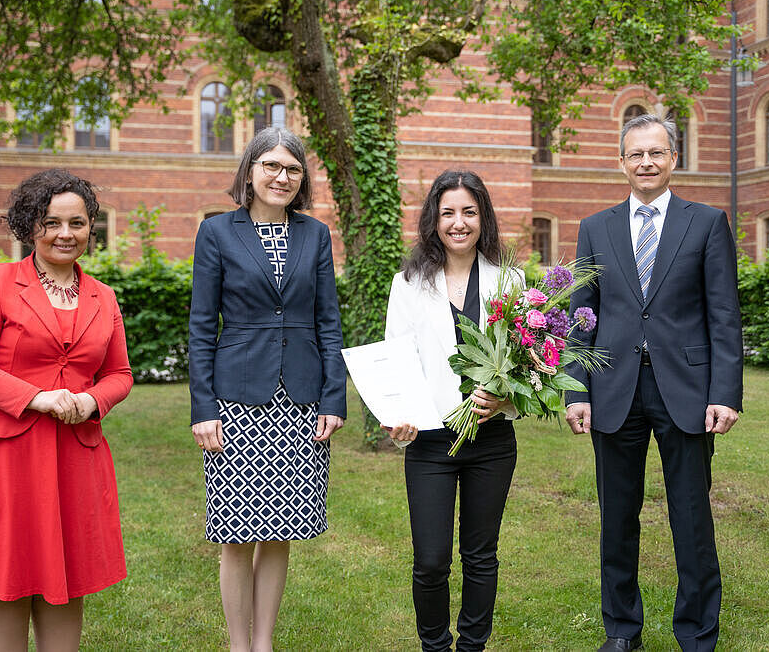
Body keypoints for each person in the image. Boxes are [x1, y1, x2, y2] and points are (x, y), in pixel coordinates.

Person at [0, 169, 134, 651]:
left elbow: (120, 375)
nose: (66, 234)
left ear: (90, 227)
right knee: (3, 573)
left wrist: (91, 401)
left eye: (77, 223)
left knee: (67, 577)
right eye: (51, 222)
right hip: (1, 458)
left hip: (73, 458)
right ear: (29, 226)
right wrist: (34, 397)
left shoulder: (104, 296)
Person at [565, 114, 743, 652]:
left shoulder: (707, 222)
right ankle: (621, 631)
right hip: (613, 390)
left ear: (673, 159)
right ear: (621, 162)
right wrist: (577, 389)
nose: (646, 162)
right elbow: (581, 314)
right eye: (636, 154)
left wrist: (724, 393)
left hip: (686, 391)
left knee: (691, 519)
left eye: (657, 153)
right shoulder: (595, 227)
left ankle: (696, 633)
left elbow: (724, 315)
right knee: (616, 519)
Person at [188, 127, 347, 652]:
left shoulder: (315, 234)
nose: (282, 177)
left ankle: (264, 644)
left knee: (280, 533)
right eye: (271, 166)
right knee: (236, 537)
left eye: (293, 169)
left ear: (302, 179)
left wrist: (332, 397)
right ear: (251, 170)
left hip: (299, 401)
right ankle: (239, 646)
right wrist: (203, 407)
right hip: (234, 399)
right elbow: (201, 325)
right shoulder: (216, 232)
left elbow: (328, 322)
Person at [383, 170, 523, 651]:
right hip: (429, 442)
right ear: (433, 220)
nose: (458, 223)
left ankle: (472, 647)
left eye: (469, 211)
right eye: (448, 213)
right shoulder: (407, 283)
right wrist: (396, 414)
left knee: (481, 555)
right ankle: (435, 646)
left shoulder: (511, 280)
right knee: (430, 559)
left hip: (492, 440)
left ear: (482, 217)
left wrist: (507, 400)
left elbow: (531, 369)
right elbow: (396, 362)